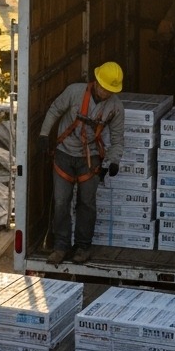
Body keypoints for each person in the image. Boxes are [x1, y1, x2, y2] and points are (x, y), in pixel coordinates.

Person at [38, 61, 126, 266]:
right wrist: (44, 134)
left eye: (110, 90)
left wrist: (113, 161)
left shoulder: (115, 108)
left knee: (87, 203)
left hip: (91, 158)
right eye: (104, 88)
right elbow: (54, 110)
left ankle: (83, 247)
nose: (105, 93)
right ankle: (61, 246)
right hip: (64, 153)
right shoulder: (74, 92)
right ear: (96, 82)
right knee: (61, 202)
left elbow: (117, 139)